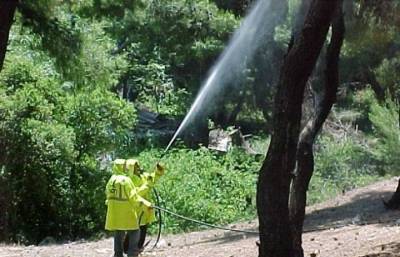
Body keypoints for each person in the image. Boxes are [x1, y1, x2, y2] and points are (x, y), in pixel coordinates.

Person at [105, 159, 151, 257]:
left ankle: (118, 254)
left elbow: (108, 196)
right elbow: (133, 197)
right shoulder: (126, 180)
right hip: (126, 212)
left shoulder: (111, 180)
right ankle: (132, 254)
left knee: (118, 232)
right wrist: (145, 203)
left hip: (114, 213)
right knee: (135, 231)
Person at [125, 159, 165, 252]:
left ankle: (138, 248)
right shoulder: (129, 181)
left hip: (145, 208)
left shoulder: (143, 176)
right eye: (135, 167)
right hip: (137, 208)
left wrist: (158, 170)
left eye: (138, 165)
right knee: (135, 228)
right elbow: (137, 193)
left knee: (143, 228)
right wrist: (148, 185)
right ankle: (127, 248)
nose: (138, 168)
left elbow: (153, 178)